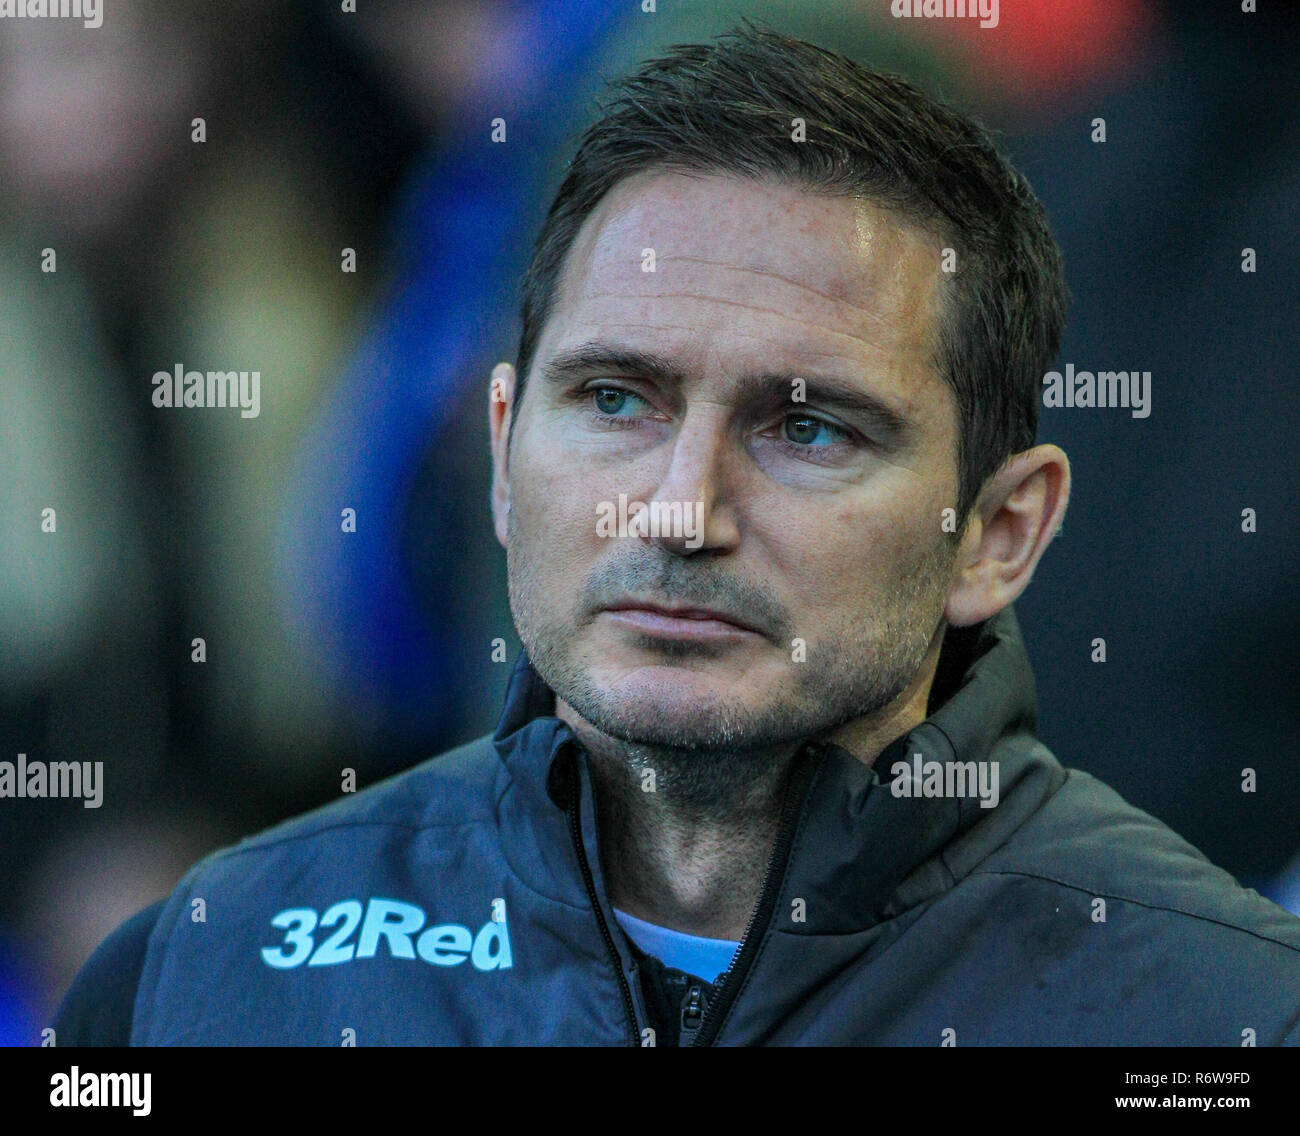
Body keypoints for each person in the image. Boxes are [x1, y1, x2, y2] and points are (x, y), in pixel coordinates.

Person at [54, 23, 1300, 1047]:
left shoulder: (1222, 1018)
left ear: (998, 531)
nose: (676, 510)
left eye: (807, 429)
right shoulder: (197, 979)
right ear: (498, 451)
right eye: (614, 401)